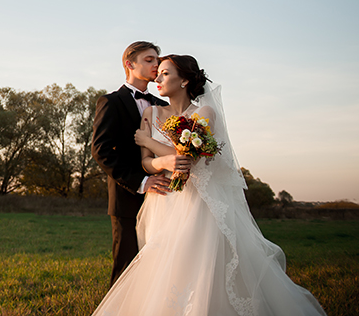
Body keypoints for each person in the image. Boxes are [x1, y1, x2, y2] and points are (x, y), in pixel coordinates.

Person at [91, 54, 327, 316]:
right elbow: (146, 163)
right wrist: (159, 163)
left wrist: (149, 143)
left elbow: (187, 156)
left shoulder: (205, 113)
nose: (157, 77)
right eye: (158, 73)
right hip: (164, 198)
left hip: (198, 202)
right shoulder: (150, 112)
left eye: (165, 73)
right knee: (164, 264)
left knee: (199, 263)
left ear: (185, 81)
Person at [91, 41, 174, 287]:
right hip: (127, 197)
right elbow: (101, 150)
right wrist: (141, 181)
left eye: (157, 61)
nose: (156, 65)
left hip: (163, 197)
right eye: (149, 60)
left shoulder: (163, 106)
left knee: (160, 265)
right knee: (126, 268)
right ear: (130, 64)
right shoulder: (111, 102)